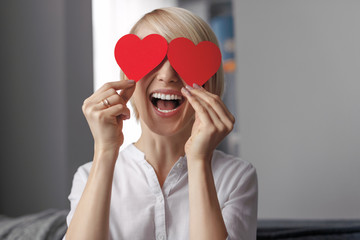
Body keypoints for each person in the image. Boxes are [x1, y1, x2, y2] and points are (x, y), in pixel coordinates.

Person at [64, 7, 257, 240]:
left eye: (184, 60)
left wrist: (199, 162)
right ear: (129, 79)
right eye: (152, 59)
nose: (167, 75)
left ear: (208, 83)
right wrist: (105, 150)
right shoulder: (87, 177)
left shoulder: (236, 177)